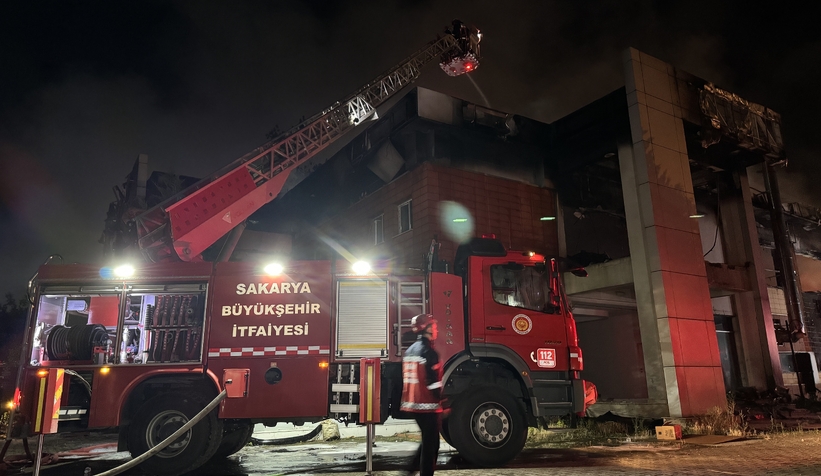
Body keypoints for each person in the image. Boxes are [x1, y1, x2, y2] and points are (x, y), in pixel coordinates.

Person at [401, 313, 443, 476]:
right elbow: (432, 383)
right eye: (433, 326)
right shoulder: (428, 352)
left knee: (428, 441)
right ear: (426, 329)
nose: (436, 329)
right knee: (431, 446)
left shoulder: (410, 351)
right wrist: (442, 401)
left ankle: (408, 472)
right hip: (427, 406)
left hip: (412, 405)